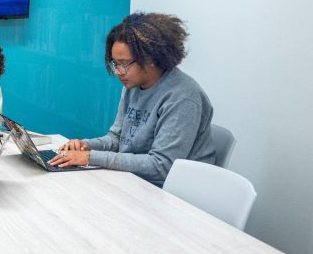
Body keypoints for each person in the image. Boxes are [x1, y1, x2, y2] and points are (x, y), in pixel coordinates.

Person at [49, 12, 215, 186]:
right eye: (115, 63)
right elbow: (116, 138)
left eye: (124, 64)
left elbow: (162, 166)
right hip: (134, 180)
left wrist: (90, 157)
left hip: (175, 192)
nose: (118, 72)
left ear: (151, 59)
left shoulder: (182, 97)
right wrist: (84, 146)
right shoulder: (132, 85)